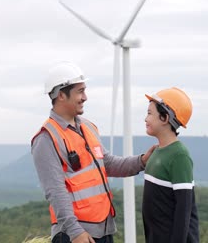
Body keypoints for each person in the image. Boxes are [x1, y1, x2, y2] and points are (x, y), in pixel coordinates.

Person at [31, 62, 156, 243]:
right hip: (75, 235)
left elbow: (108, 163)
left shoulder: (88, 127)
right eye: (80, 91)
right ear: (61, 95)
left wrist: (142, 161)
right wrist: (75, 232)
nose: (85, 97)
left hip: (103, 229)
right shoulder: (46, 139)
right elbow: (55, 191)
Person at [142, 87, 199, 243]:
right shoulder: (156, 152)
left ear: (165, 118)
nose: (145, 119)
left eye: (149, 113)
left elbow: (183, 210)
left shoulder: (179, 156)